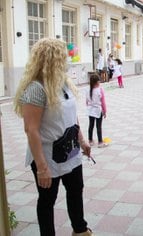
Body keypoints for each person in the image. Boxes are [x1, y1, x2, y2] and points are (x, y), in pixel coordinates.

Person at [13, 38, 93, 236]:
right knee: (48, 200)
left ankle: (80, 230)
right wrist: (41, 168)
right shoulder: (35, 89)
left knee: (76, 191)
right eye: (62, 57)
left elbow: (71, 118)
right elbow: (30, 130)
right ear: (52, 59)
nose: (66, 60)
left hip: (71, 151)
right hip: (47, 156)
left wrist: (82, 141)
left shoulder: (63, 83)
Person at [86, 73, 108, 148]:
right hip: (98, 110)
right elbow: (103, 102)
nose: (100, 83)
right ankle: (100, 142)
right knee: (98, 126)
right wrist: (105, 111)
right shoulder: (100, 90)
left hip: (90, 110)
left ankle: (90, 140)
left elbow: (86, 102)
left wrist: (89, 107)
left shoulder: (88, 90)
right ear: (96, 82)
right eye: (99, 81)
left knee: (91, 125)